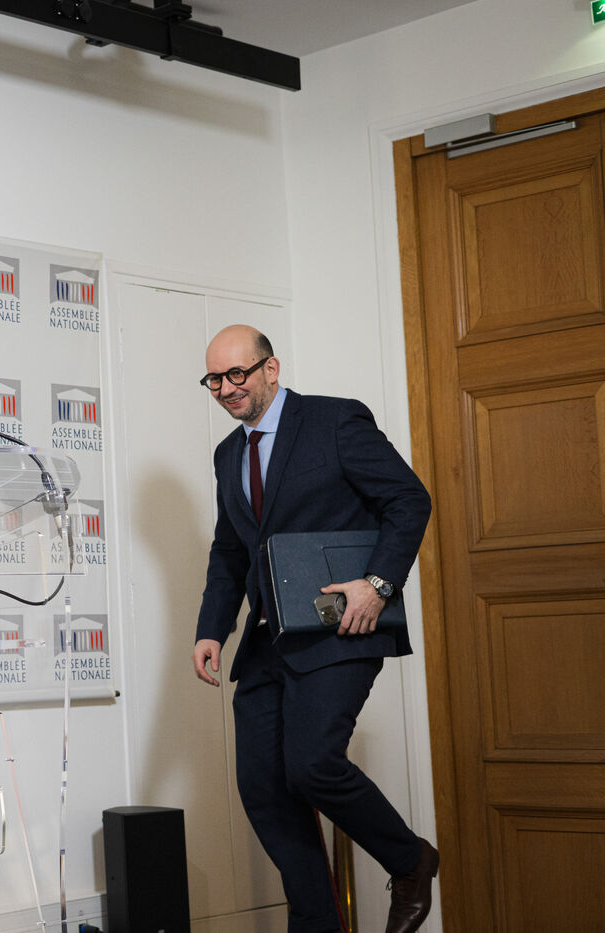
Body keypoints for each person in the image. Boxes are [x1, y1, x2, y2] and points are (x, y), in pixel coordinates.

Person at [191, 325, 439, 933]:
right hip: (268, 640)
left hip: (340, 626)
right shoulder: (227, 455)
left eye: (237, 374)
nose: (226, 388)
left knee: (311, 765)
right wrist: (211, 629)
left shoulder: (335, 421)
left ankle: (410, 861)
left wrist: (378, 584)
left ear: (271, 369)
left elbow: (409, 500)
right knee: (263, 787)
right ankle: (315, 924)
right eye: (214, 379)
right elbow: (230, 550)